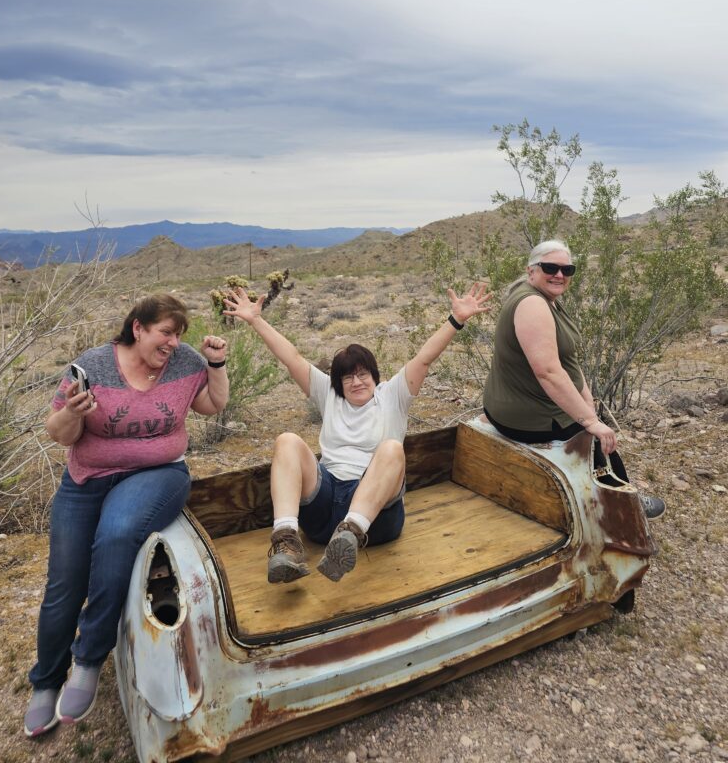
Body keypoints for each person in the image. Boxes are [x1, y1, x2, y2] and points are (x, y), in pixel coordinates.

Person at [24, 294, 229, 739]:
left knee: (116, 534)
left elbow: (213, 406)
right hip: (86, 480)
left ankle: (90, 658)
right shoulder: (93, 367)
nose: (173, 342)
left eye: (178, 335)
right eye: (166, 333)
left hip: (159, 475)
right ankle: (45, 681)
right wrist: (73, 415)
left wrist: (216, 364)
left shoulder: (186, 363)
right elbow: (58, 433)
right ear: (138, 328)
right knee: (64, 582)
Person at [223, 282, 492, 584]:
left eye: (363, 374)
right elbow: (292, 358)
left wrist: (456, 320)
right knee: (287, 441)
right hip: (325, 508)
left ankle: (350, 533)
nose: (356, 382)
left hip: (375, 518)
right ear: (338, 383)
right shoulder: (329, 396)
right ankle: (286, 540)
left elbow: (424, 358)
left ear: (375, 376)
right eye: (347, 377)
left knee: (391, 448)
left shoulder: (393, 395)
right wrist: (256, 320)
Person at [483, 240, 665, 519]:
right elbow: (549, 372)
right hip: (527, 414)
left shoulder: (546, 299)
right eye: (550, 267)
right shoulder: (533, 304)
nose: (559, 274)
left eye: (567, 269)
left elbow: (567, 360)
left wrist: (586, 399)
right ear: (531, 270)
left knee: (591, 425)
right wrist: (590, 422)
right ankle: (624, 508)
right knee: (598, 441)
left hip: (518, 401)